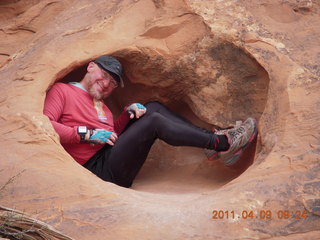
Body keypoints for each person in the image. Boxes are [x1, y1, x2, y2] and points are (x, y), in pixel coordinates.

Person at [44, 55, 257, 188]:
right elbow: (44, 124)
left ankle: (212, 143)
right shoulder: (63, 91)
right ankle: (224, 144)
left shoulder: (104, 108)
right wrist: (86, 134)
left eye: (113, 83)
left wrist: (128, 115)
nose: (107, 83)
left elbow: (113, 135)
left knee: (152, 107)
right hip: (95, 170)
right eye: (105, 74)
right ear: (91, 67)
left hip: (109, 157)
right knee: (153, 121)